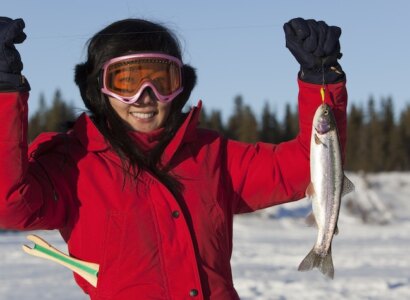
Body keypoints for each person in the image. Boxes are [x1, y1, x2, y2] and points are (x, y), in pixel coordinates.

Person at [0, 16, 347, 300]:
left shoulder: (212, 157)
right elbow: (10, 203)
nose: (144, 97)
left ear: (179, 87)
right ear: (99, 89)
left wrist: (321, 82)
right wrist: (4, 92)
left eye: (161, 80)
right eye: (127, 81)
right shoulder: (70, 166)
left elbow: (310, 168)